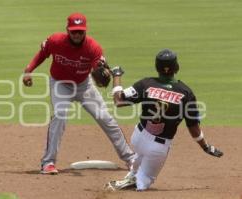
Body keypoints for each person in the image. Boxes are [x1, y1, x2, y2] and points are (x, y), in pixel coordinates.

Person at [22, 12, 134, 175]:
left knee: (105, 117)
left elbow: (100, 70)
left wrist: (104, 74)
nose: (77, 34)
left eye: (80, 31)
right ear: (67, 30)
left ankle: (130, 158)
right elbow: (42, 54)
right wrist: (28, 70)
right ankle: (48, 163)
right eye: (74, 31)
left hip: (84, 85)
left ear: (85, 30)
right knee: (60, 115)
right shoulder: (55, 41)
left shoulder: (93, 47)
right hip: (60, 84)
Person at [106, 49, 223, 191]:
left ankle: (132, 174)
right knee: (143, 182)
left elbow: (118, 101)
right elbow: (193, 128)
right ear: (176, 67)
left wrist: (116, 75)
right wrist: (206, 146)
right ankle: (128, 184)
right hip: (158, 148)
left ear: (157, 67)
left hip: (138, 137)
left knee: (138, 162)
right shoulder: (185, 92)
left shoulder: (146, 84)